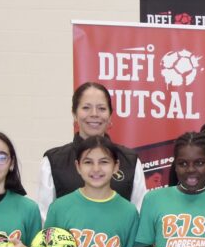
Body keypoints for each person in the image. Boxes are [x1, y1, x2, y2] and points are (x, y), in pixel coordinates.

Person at [39, 82, 146, 218]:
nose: (94, 114)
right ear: (74, 114)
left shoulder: (130, 160)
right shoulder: (53, 161)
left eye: (101, 108)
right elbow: (44, 217)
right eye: (86, 108)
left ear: (110, 115)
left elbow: (140, 214)